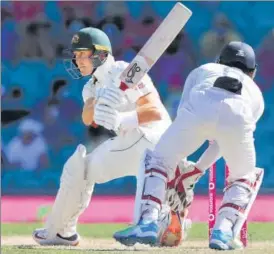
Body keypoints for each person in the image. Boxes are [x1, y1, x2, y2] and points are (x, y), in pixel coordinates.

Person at [32, 27, 193, 247]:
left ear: (99, 54)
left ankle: (149, 222)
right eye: (76, 55)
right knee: (79, 167)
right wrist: (100, 104)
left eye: (82, 54)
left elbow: (154, 111)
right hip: (132, 144)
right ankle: (62, 232)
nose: (77, 60)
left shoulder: (124, 71)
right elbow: (88, 118)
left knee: (89, 167)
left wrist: (120, 119)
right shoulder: (90, 87)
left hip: (154, 140)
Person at [114, 41, 265, 250]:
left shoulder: (204, 69)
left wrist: (185, 166)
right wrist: (199, 169)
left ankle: (148, 222)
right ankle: (223, 231)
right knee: (243, 177)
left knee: (158, 160)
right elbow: (227, 139)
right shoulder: (256, 93)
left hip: (200, 104)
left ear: (219, 61)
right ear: (252, 72)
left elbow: (185, 118)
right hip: (239, 115)